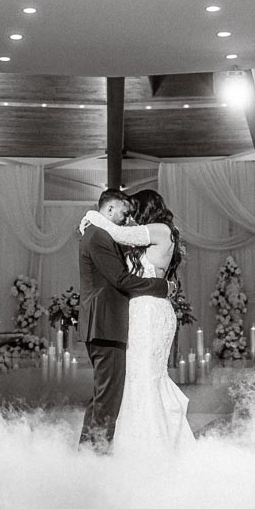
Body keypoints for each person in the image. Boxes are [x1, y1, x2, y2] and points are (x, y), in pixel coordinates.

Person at [79, 189, 194, 455]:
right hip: (138, 311)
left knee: (144, 378)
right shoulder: (145, 237)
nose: (130, 217)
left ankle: (151, 449)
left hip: (150, 312)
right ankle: (125, 448)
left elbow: (117, 234)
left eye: (133, 211)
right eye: (127, 212)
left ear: (146, 209)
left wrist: (91, 216)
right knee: (133, 380)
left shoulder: (160, 230)